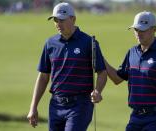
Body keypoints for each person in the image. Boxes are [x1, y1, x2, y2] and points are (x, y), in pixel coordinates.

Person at [27, 2, 107, 131]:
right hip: (56, 105)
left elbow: (102, 72)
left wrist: (97, 90)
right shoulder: (50, 43)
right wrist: (33, 107)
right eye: (55, 20)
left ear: (73, 19)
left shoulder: (88, 42)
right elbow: (43, 76)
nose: (58, 24)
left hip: (80, 105)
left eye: (62, 20)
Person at [104, 11, 156, 131]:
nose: (138, 33)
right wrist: (100, 59)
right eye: (136, 29)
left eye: (142, 30)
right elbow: (117, 78)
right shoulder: (132, 53)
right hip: (136, 117)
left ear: (154, 29)